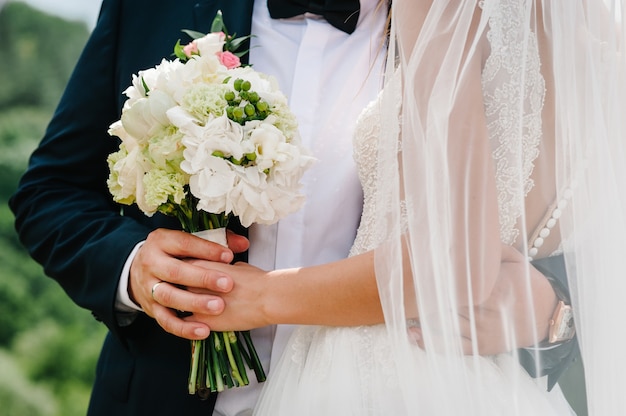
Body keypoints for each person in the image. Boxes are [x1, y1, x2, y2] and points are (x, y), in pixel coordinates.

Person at [9, 0, 582, 415]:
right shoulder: (150, 7)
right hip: (164, 396)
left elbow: (542, 204)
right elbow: (50, 192)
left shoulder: (465, 19)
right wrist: (134, 267)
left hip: (388, 394)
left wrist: (553, 311)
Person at [187, 0, 626, 414]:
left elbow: (458, 260)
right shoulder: (601, 26)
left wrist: (263, 296)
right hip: (494, 388)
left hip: (380, 369)